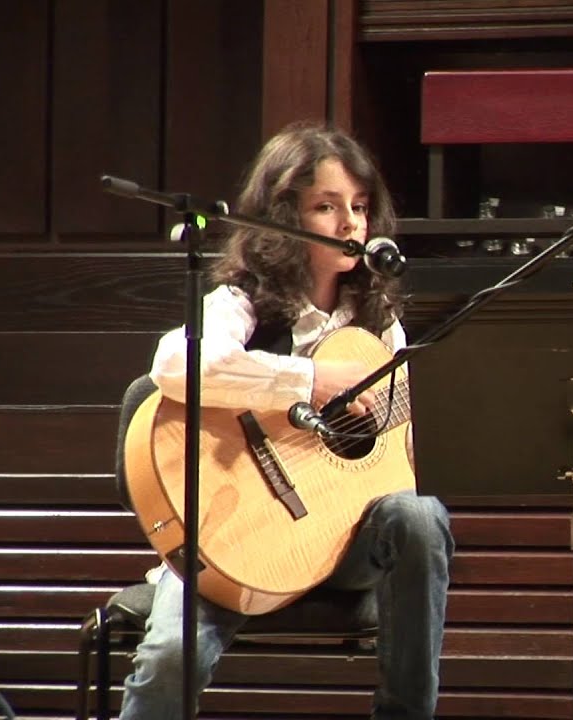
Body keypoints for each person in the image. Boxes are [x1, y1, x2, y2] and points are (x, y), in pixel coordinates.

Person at [119, 123, 454, 720]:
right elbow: (174, 364)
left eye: (359, 206)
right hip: (237, 532)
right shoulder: (241, 298)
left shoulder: (380, 327)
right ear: (282, 216)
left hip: (340, 541)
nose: (350, 223)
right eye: (326, 207)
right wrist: (306, 381)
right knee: (171, 653)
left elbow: (395, 467)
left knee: (420, 517)